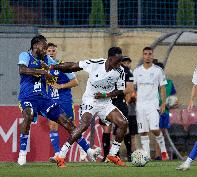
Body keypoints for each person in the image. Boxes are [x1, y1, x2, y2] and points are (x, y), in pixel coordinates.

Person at [17, 35, 100, 166]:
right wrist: (43, 72)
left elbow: (61, 67)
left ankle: (88, 150)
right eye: (44, 48)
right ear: (35, 46)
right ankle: (22, 155)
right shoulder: (25, 55)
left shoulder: (47, 59)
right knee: (28, 115)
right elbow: (22, 69)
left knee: (67, 122)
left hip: (44, 99)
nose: (45, 50)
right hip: (27, 97)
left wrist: (83, 66)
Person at [50, 47, 129, 167]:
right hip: (90, 100)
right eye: (117, 61)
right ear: (110, 59)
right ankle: (61, 156)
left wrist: (105, 95)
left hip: (105, 102)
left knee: (123, 123)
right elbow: (73, 66)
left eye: (120, 61)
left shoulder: (120, 71)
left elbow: (121, 91)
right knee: (84, 125)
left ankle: (112, 154)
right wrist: (53, 66)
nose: (119, 64)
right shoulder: (96, 63)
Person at [133, 47, 168, 160]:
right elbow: (133, 87)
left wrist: (163, 104)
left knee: (154, 129)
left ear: (152, 56)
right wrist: (134, 96)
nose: (147, 56)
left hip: (153, 104)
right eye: (145, 54)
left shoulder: (158, 70)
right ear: (143, 56)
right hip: (140, 105)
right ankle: (146, 155)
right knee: (143, 131)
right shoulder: (137, 71)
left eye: (150, 54)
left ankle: (163, 151)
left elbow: (162, 88)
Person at [46, 43, 79, 162]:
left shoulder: (62, 66)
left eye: (53, 51)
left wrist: (61, 86)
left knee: (72, 128)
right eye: (49, 50)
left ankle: (84, 149)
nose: (51, 52)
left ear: (56, 52)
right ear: (45, 52)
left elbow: (75, 82)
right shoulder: (44, 67)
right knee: (52, 126)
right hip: (52, 101)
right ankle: (57, 154)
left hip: (65, 101)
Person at [101, 56, 134, 162]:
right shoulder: (105, 69)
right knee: (107, 127)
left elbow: (129, 88)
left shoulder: (127, 71)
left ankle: (129, 155)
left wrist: (116, 94)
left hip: (120, 101)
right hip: (106, 102)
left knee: (124, 127)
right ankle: (107, 156)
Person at [154, 62, 178, 160]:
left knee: (163, 132)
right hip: (154, 110)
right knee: (157, 131)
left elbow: (173, 98)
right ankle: (157, 155)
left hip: (165, 111)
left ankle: (163, 154)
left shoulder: (169, 83)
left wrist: (174, 103)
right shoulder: (152, 83)